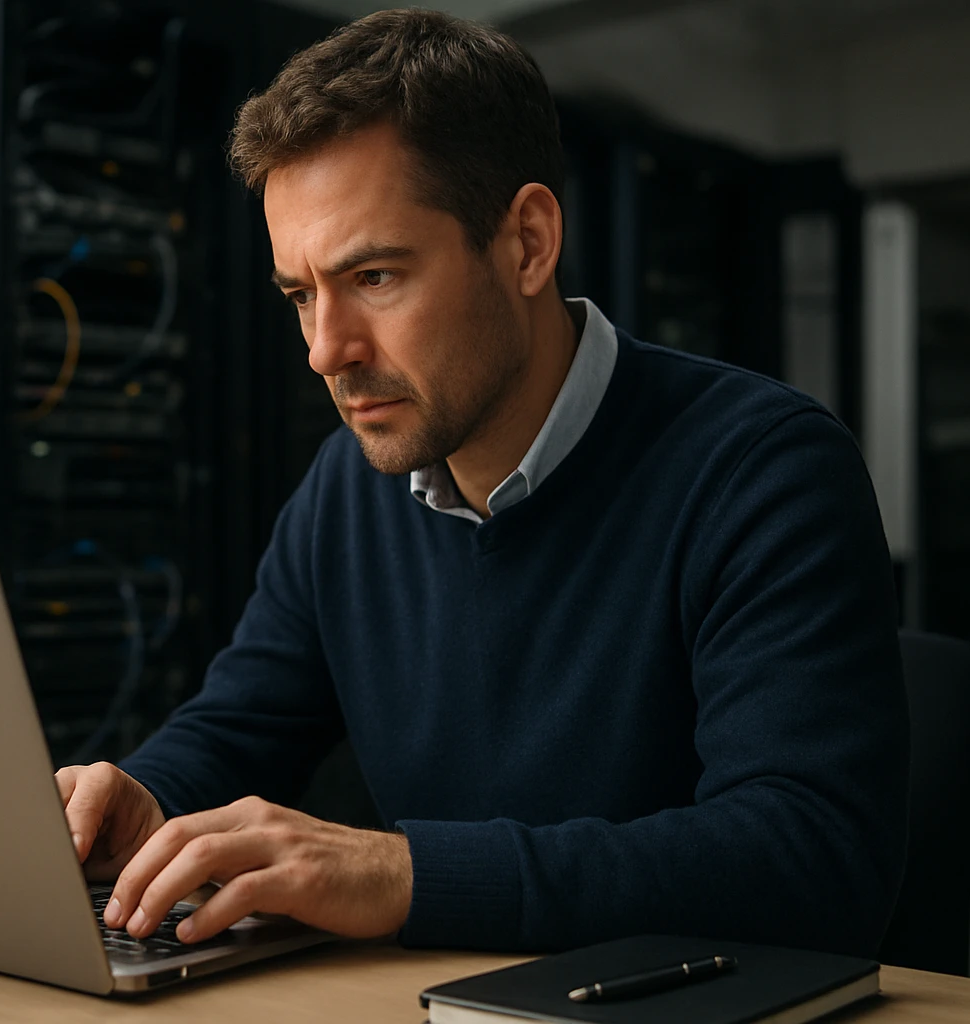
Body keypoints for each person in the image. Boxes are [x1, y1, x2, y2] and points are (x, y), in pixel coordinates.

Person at [54, 8, 907, 957]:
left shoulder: (762, 470)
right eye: (300, 294)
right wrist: (143, 799)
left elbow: (811, 859)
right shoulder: (349, 486)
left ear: (529, 244)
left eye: (373, 276)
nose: (324, 350)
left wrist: (403, 873)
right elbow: (240, 724)